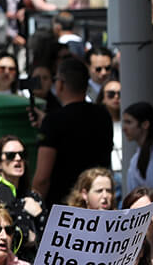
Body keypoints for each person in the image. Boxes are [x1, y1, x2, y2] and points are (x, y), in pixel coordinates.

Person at [34, 58, 112, 206]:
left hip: (62, 208)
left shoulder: (54, 121)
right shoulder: (103, 115)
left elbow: (42, 177)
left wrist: (35, 207)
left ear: (61, 84)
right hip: (96, 204)